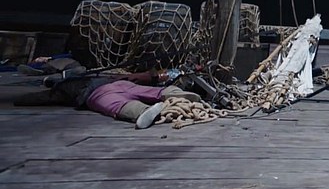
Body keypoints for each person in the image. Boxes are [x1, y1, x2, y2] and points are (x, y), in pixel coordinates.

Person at [13, 74, 202, 129]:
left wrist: (18, 100)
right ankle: (177, 94)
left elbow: (40, 98)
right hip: (119, 83)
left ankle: (142, 111)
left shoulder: (61, 89)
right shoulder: (95, 75)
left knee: (116, 105)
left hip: (97, 93)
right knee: (154, 91)